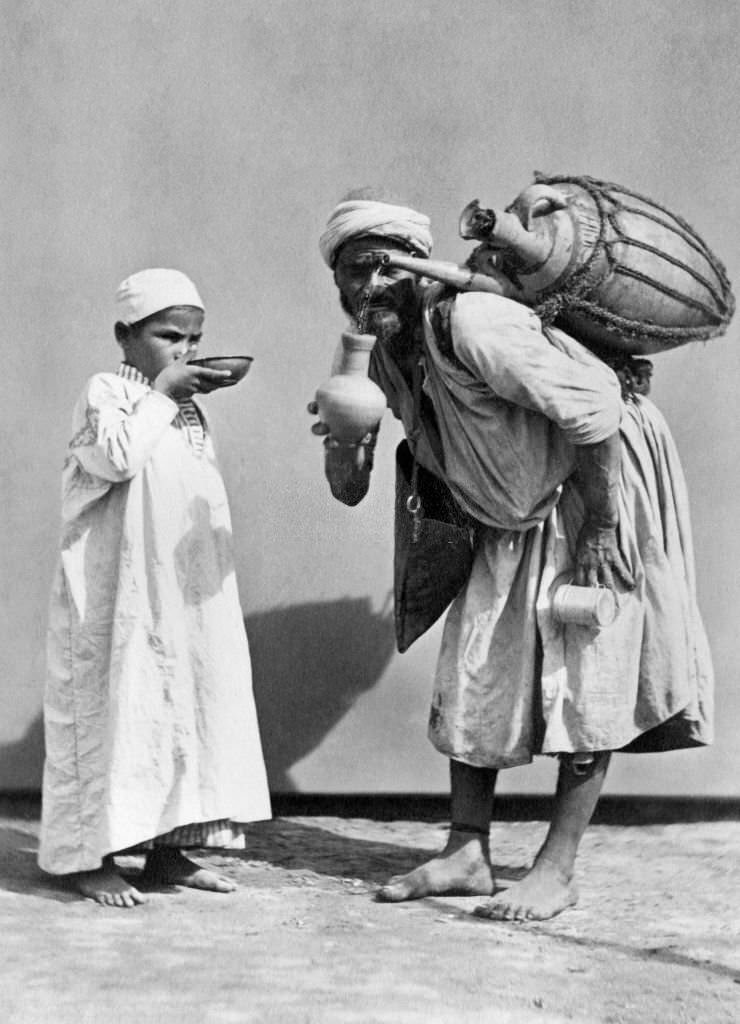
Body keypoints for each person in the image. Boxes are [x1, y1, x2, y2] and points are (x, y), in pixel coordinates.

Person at [310, 193, 713, 921]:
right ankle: (466, 853)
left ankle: (557, 869)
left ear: (412, 264)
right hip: (503, 508)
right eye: (351, 274)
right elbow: (348, 489)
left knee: (583, 672)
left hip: (589, 487)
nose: (368, 288)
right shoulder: (378, 355)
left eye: (381, 266)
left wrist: (599, 529)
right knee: (478, 668)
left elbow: (595, 411)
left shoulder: (471, 319)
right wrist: (344, 437)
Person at [39, 268, 271, 907]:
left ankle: (169, 852)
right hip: (119, 591)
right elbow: (116, 459)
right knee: (116, 707)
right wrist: (163, 392)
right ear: (125, 334)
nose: (186, 351)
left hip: (179, 590)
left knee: (187, 705)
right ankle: (88, 858)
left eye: (194, 339)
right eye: (171, 336)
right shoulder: (108, 391)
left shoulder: (187, 411)